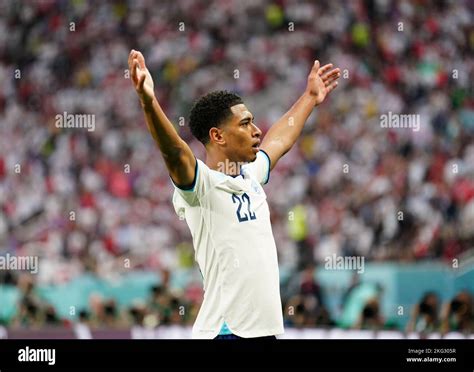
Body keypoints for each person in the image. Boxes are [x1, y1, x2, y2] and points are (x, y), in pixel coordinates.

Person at [128, 49, 340, 339]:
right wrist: (149, 103)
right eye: (245, 123)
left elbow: (279, 140)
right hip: (226, 331)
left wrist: (310, 98)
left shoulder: (250, 176)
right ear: (217, 136)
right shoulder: (201, 185)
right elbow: (175, 151)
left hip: (263, 331)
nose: (256, 130)